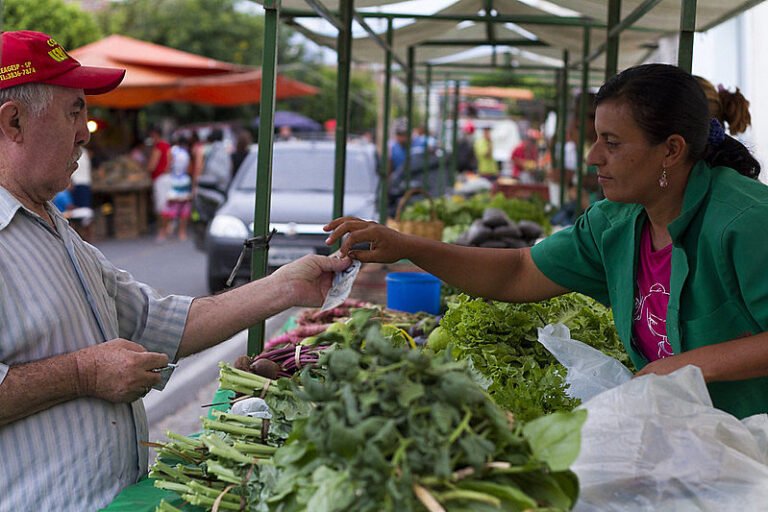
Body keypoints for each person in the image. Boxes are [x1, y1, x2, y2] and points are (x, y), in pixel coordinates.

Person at [0, 30, 352, 511]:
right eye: (74, 110)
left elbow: (154, 321)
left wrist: (284, 286)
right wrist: (83, 373)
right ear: (14, 122)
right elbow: (95, 364)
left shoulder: (50, 222)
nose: (85, 131)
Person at [326, 63, 768, 421]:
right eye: (596, 138)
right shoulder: (616, 222)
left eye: (611, 143)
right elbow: (520, 271)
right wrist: (409, 246)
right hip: (690, 435)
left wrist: (681, 367)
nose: (593, 156)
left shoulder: (746, 221)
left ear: (671, 150)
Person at [158, 135, 192, 241]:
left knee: (167, 208)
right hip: (185, 181)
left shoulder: (172, 151)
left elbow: (167, 166)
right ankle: (182, 232)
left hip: (173, 182)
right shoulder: (186, 153)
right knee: (184, 208)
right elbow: (189, 168)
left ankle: (163, 231)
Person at [145, 124, 172, 229]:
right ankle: (168, 227)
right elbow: (170, 161)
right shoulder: (167, 145)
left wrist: (147, 169)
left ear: (155, 135)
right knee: (167, 204)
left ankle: (163, 229)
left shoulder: (158, 147)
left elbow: (152, 165)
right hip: (167, 177)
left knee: (161, 206)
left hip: (160, 178)